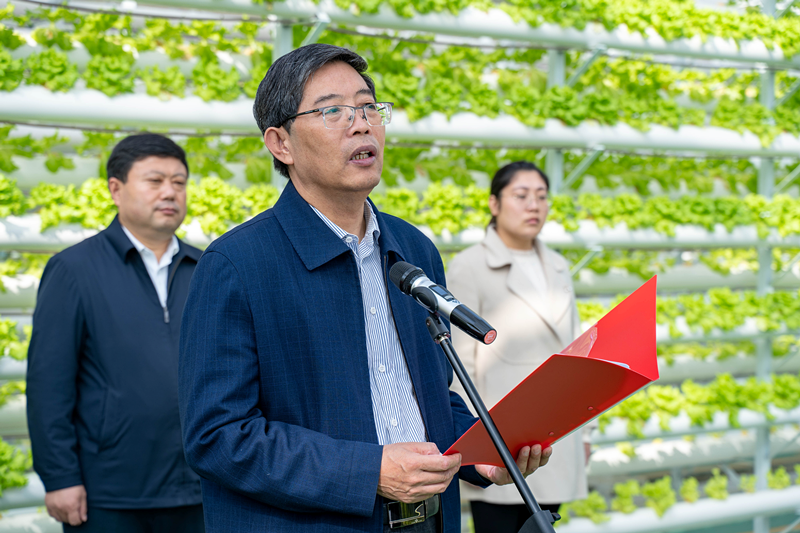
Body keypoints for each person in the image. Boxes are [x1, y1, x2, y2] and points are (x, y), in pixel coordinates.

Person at [178, 44, 552, 533]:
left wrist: (481, 452)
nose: (362, 124)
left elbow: (430, 399)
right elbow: (218, 437)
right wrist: (369, 471)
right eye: (332, 110)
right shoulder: (237, 264)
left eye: (369, 107)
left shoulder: (413, 248)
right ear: (280, 143)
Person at [26, 133, 205, 532]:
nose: (170, 192)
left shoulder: (207, 269)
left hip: (199, 486)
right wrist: (60, 478)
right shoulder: (74, 270)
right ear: (116, 189)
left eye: (179, 182)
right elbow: (48, 384)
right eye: (155, 181)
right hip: (108, 491)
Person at [447, 161, 591, 533]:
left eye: (542, 197)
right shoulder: (469, 266)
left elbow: (577, 354)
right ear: (494, 204)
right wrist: (475, 442)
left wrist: (585, 433)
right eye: (522, 196)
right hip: (501, 438)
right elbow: (460, 364)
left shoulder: (557, 266)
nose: (534, 206)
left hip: (553, 437)